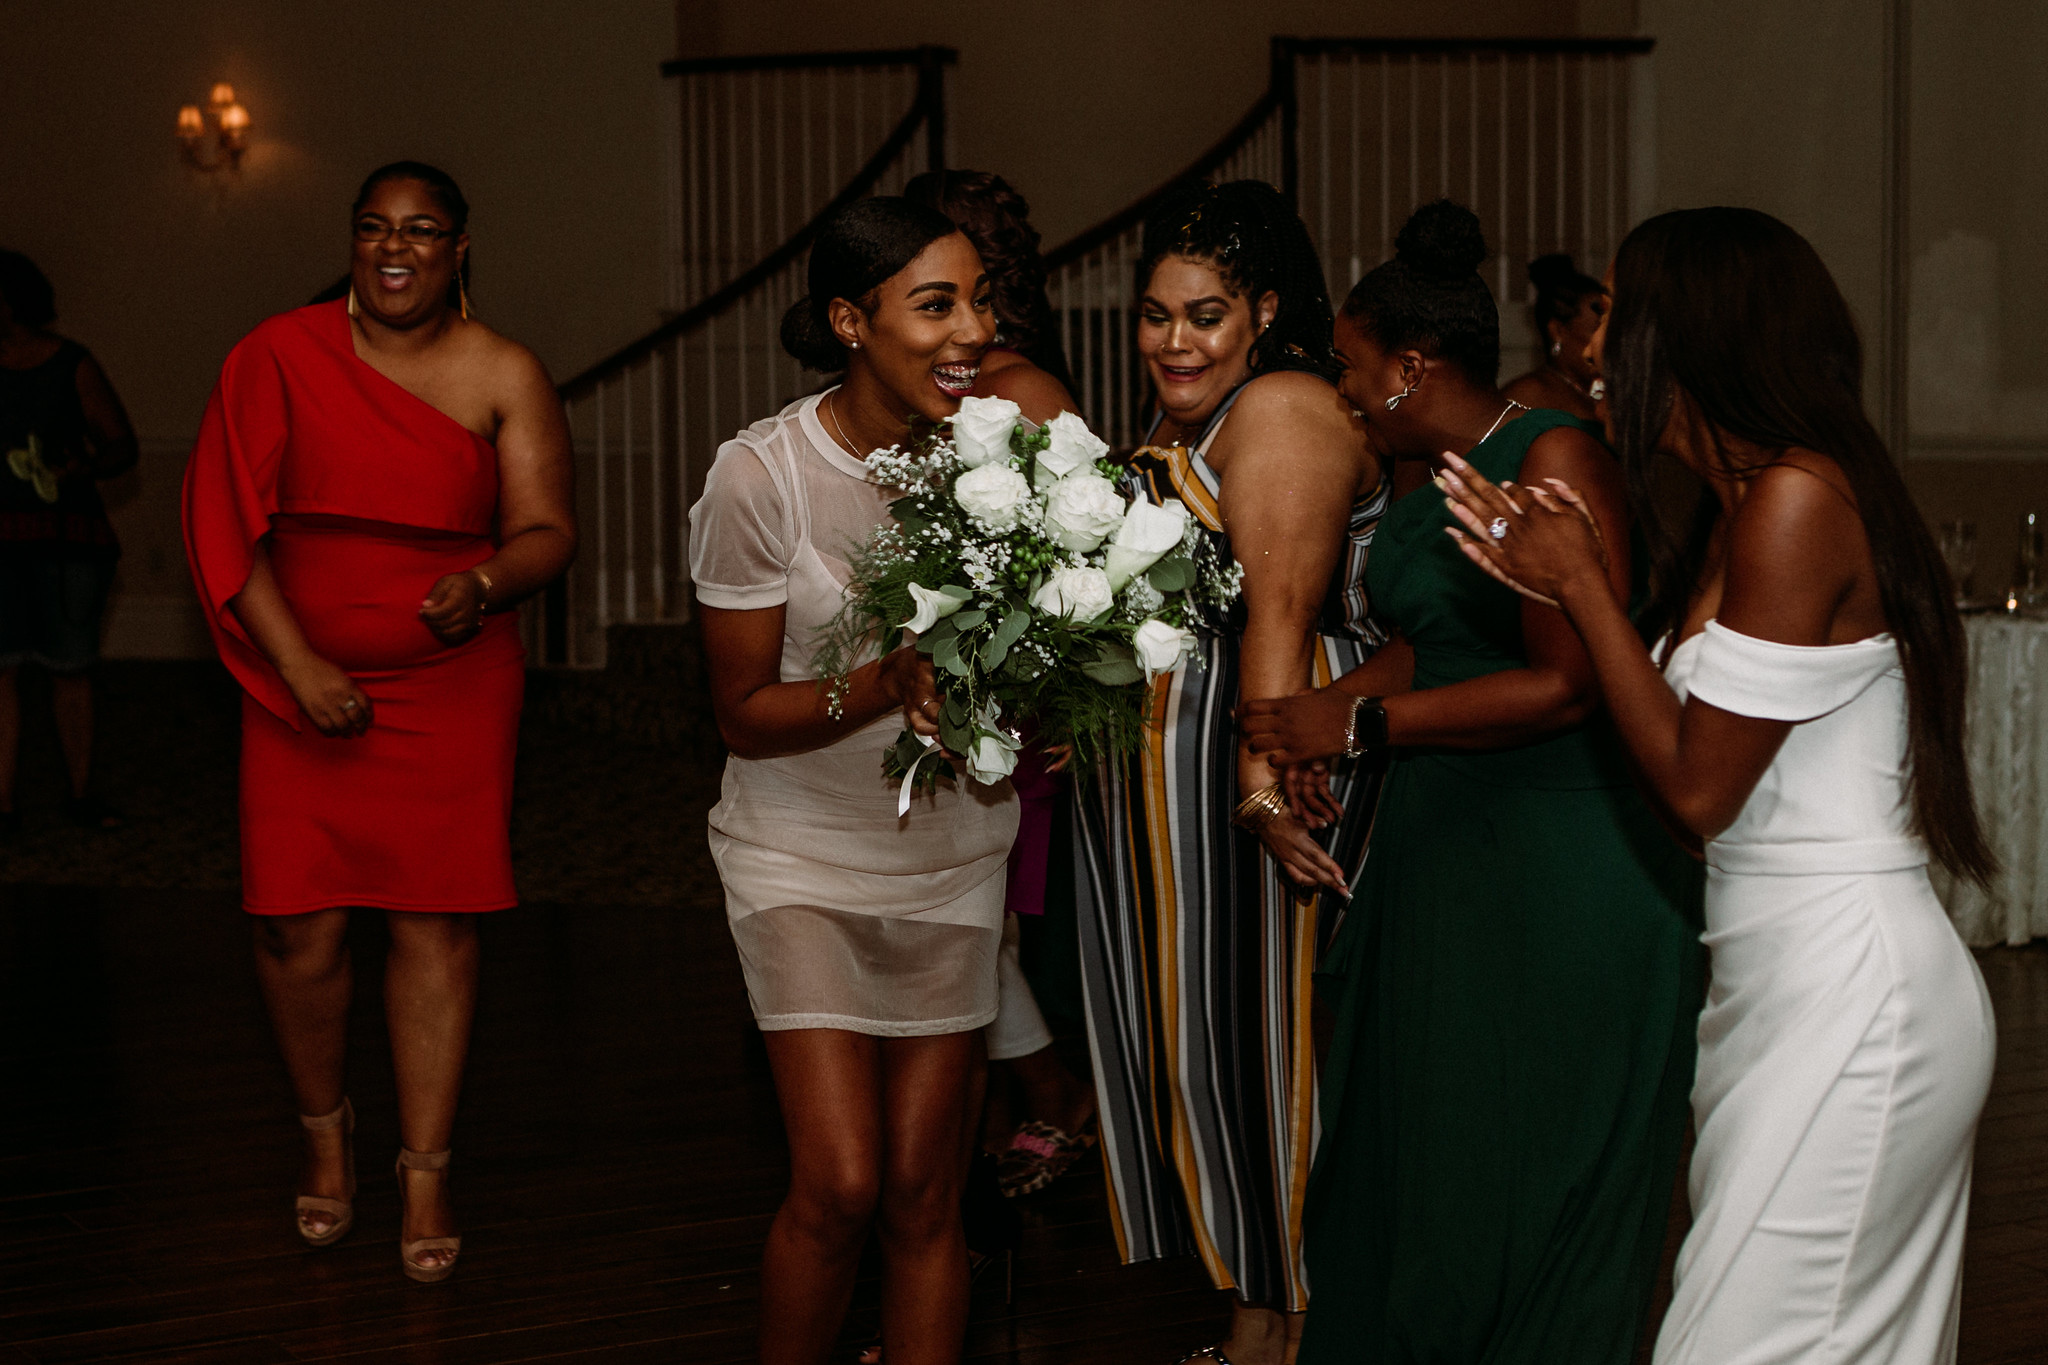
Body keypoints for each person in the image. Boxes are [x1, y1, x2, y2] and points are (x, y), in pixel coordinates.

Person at [1439, 207, 1996, 1365]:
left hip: (1849, 992)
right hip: (1778, 975)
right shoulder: (1740, 511)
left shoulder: (1798, 500)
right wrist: (1567, 590)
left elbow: (1698, 795)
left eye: (1612, 317)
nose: (1589, 350)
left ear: (1681, 335)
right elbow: (1705, 816)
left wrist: (1581, 591)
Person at [1237, 200, 1703, 1365]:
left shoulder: (1552, 458)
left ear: (1408, 365)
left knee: (1522, 1148)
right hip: (1447, 837)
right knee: (1421, 1141)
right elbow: (1435, 637)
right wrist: (1317, 714)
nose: (1337, 391)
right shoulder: (1414, 470)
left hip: (1556, 852)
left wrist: (1360, 728)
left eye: (1347, 368)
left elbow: (1562, 685)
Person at [182, 161, 575, 1283]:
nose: (393, 248)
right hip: (292, 683)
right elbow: (225, 524)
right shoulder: (275, 356)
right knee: (292, 928)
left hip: (451, 691)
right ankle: (322, 1137)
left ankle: (427, 1167)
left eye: (421, 230)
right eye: (372, 228)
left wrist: (488, 583)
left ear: (459, 248)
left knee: (432, 925)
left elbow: (547, 529)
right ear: (352, 242)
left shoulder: (503, 369)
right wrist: (297, 663)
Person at [689, 196, 1017, 1365]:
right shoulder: (762, 476)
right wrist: (885, 683)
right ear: (848, 319)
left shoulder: (997, 463)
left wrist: (1041, 710)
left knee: (926, 1198)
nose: (969, 328)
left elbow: (1006, 666)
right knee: (836, 1185)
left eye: (979, 299)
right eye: (936, 303)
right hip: (798, 863)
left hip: (953, 858)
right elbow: (741, 714)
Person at [1072, 179, 1386, 1365]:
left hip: (1255, 790)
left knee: (1265, 1053)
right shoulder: (1186, 424)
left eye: (1200, 314)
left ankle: (1291, 1327)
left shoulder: (1288, 408)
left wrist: (1256, 788)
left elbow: (1280, 618)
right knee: (1208, 1053)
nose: (1171, 341)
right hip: (1170, 806)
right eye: (1153, 316)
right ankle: (1255, 1309)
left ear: (1261, 310)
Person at [905, 168, 1098, 1196]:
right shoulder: (923, 384)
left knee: (979, 927)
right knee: (952, 928)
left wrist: (1049, 688)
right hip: (922, 689)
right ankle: (1000, 1113)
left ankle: (1041, 1098)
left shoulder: (1022, 391)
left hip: (1002, 698)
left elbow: (1085, 567)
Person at [0, 249, 137, 832]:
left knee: (70, 671)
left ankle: (80, 795)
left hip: (67, 546)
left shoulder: (71, 364)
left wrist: (82, 465)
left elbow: (120, 445)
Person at [1502, 253, 1606, 421]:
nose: (1605, 341)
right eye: (1595, 329)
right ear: (1557, 331)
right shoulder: (1526, 396)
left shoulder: (1602, 393)